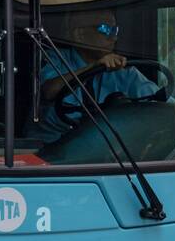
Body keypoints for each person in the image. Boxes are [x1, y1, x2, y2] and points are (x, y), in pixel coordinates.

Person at [31, 13, 161, 144]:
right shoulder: (54, 58)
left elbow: (162, 104)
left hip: (104, 153)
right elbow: (48, 91)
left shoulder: (123, 71)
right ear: (80, 34)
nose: (114, 37)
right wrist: (94, 67)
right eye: (105, 29)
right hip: (49, 152)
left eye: (115, 30)